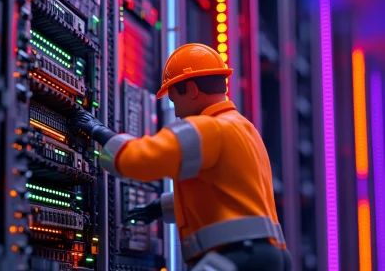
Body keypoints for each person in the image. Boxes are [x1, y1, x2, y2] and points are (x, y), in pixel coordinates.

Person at [69, 43, 292, 271]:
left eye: (174, 100)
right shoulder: (245, 129)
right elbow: (227, 192)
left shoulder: (207, 128)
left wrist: (99, 131)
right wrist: (163, 206)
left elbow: (138, 160)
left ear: (193, 89)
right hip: (269, 256)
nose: (175, 111)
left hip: (240, 257)